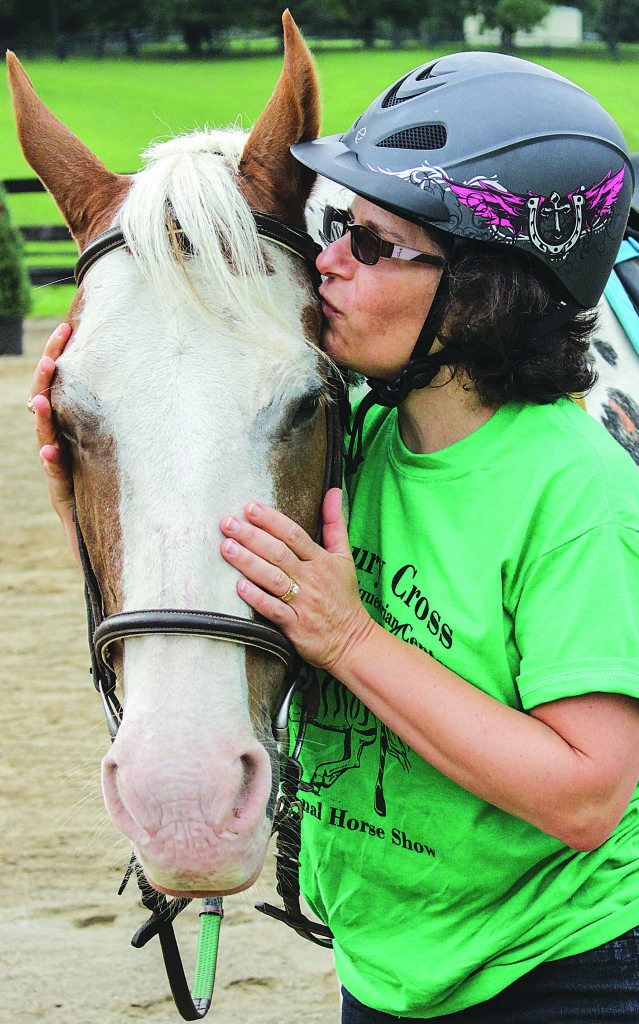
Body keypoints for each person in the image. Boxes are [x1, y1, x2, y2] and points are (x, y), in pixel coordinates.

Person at [30, 52, 639, 1023]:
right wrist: (90, 478)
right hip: (386, 959)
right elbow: (219, 578)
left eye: (372, 241)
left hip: (562, 974)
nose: (328, 261)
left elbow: (585, 796)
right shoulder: (352, 444)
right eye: (335, 230)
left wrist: (352, 640)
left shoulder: (573, 490)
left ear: (488, 283)